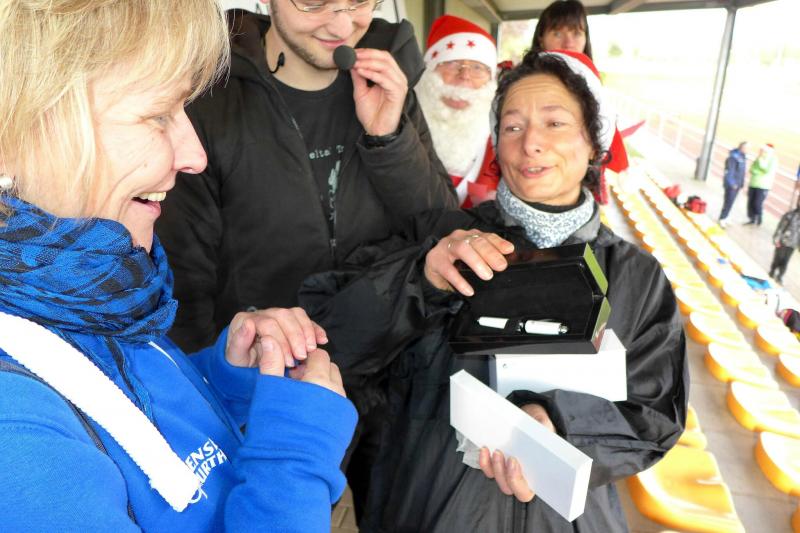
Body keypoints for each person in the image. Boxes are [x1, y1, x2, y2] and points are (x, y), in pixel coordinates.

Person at [0, 2, 356, 531]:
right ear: (15, 135)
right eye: (158, 114)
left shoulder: (90, 286)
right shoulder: (16, 438)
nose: (195, 156)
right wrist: (294, 455)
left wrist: (224, 382)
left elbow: (121, 410)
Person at [300, 50, 689, 532]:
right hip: (429, 512)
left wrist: (559, 422)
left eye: (555, 123)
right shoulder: (439, 240)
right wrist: (420, 279)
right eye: (512, 127)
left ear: (594, 143)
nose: (531, 144)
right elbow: (331, 338)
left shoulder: (637, 276)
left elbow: (655, 412)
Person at [156, 3, 457, 354]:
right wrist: (213, 373)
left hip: (391, 358)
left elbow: (442, 227)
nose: (342, 27)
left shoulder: (390, 84)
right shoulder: (207, 102)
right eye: (314, 3)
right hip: (267, 366)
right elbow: (182, 278)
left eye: (359, 2)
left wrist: (389, 140)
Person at [416, 15, 500, 207]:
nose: (465, 76)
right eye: (452, 63)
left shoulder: (503, 138)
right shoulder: (399, 125)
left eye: (478, 67)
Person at [745, 143, 777, 225]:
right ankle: (752, 219)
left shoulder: (772, 159)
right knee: (750, 202)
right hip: (753, 183)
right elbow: (752, 169)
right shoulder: (759, 157)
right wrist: (758, 171)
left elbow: (765, 169)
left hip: (763, 186)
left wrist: (759, 161)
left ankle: (759, 218)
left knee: (757, 203)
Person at [718, 141, 748, 228]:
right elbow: (729, 171)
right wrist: (732, 183)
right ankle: (722, 218)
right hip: (732, 185)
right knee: (728, 201)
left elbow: (741, 172)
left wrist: (741, 184)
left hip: (737, 184)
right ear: (742, 148)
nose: (748, 150)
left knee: (731, 202)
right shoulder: (733, 157)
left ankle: (726, 216)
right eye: (747, 148)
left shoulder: (742, 156)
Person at [769, 205, 800, 284]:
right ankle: (772, 271)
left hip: (793, 244)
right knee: (778, 258)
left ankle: (780, 276)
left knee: (785, 261)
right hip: (783, 241)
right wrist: (776, 238)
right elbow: (781, 227)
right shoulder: (790, 214)